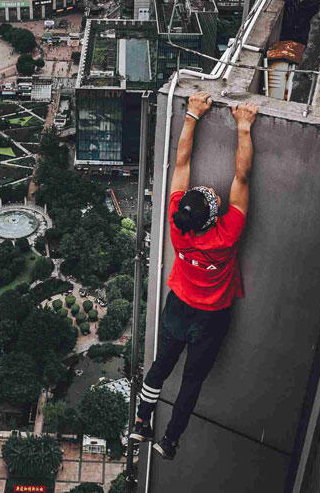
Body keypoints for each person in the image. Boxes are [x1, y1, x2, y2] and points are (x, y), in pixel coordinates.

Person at [129, 92, 258, 460]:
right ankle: (169, 440)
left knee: (159, 368)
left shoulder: (177, 226)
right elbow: (242, 175)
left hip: (178, 308)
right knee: (191, 382)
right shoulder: (227, 234)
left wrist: (191, 115)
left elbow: (181, 163)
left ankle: (142, 422)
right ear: (212, 218)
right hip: (211, 317)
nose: (209, 192)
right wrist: (244, 127)